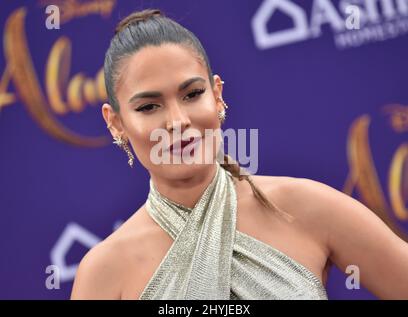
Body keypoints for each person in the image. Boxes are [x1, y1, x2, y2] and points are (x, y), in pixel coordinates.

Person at [71, 9, 408, 300]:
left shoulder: (306, 207)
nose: (177, 121)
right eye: (148, 106)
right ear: (115, 123)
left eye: (192, 94)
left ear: (217, 96)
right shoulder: (104, 271)